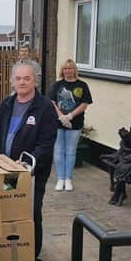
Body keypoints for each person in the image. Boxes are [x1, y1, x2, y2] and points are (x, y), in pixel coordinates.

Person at [0, 62, 58, 261]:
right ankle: (10, 252)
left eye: (27, 78)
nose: (22, 82)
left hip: (30, 174)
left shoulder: (44, 108)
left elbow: (46, 144)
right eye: (18, 78)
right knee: (9, 211)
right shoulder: (6, 104)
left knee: (30, 213)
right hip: (5, 172)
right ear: (12, 81)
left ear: (35, 80)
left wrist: (25, 163)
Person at [49, 59, 93, 192]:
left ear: (74, 70)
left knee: (70, 151)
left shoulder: (82, 85)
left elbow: (84, 103)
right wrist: (61, 117)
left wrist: (70, 116)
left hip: (75, 123)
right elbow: (52, 102)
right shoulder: (57, 85)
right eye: (65, 69)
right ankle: (60, 178)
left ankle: (68, 179)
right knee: (58, 150)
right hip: (58, 122)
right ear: (62, 71)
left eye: (70, 68)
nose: (68, 71)